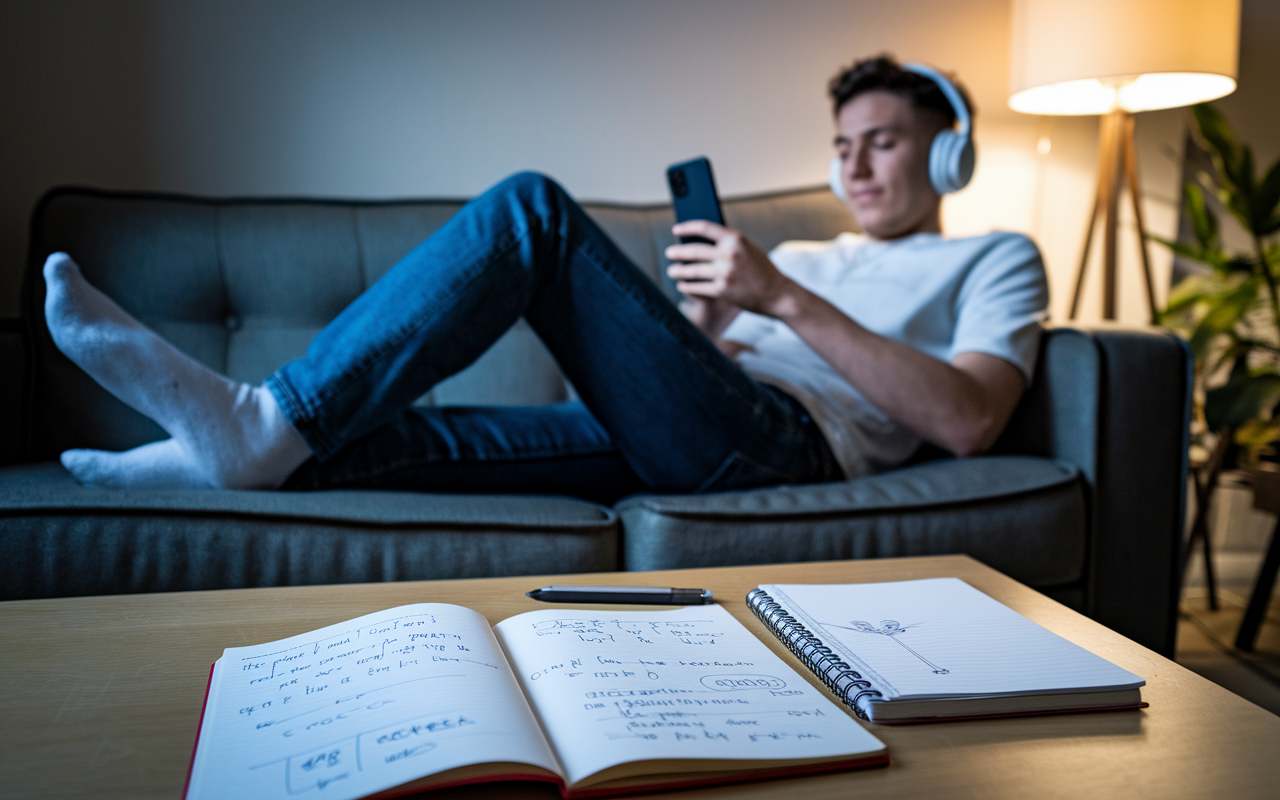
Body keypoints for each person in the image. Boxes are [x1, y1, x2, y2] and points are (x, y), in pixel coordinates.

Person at [40, 55, 1047, 502]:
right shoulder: (810, 255)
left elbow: (966, 420)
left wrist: (779, 297)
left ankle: (259, 423)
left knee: (531, 211)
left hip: (788, 448)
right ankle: (218, 458)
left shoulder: (993, 255)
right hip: (697, 423)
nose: (853, 168)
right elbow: (709, 366)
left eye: (881, 143)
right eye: (841, 147)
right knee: (415, 439)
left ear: (948, 152)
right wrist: (703, 315)